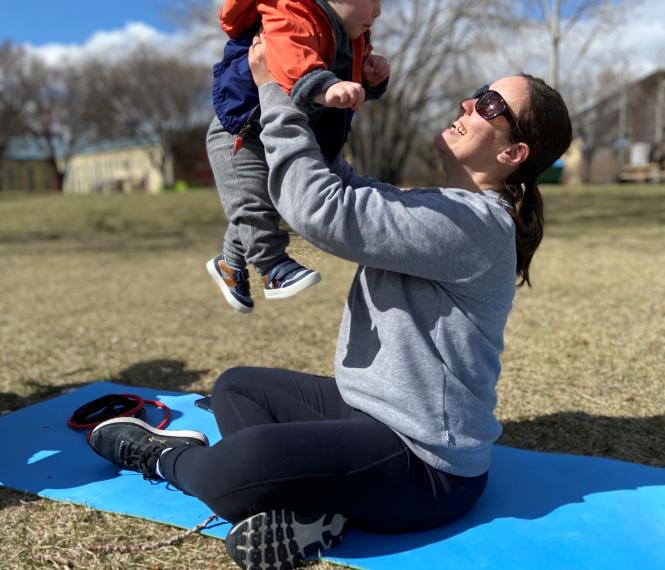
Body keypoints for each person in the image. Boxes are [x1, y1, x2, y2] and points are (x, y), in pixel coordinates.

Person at [89, 34, 573, 570]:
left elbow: (320, 209)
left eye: (490, 105)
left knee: (237, 468)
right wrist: (325, 88)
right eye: (477, 93)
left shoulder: (475, 224)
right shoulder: (438, 205)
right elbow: (339, 180)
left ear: (512, 154)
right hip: (370, 413)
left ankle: (164, 458)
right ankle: (311, 507)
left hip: (426, 466)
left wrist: (273, 89)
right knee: (238, 387)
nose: (467, 104)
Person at [206, 0, 389, 313]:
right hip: (242, 134)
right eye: (372, 1)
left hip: (285, 138)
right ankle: (272, 266)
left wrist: (370, 78)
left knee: (269, 203)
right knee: (254, 207)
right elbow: (293, 58)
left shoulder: (353, 37)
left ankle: (230, 262)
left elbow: (350, 73)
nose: (378, 11)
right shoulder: (290, 10)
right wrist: (326, 88)